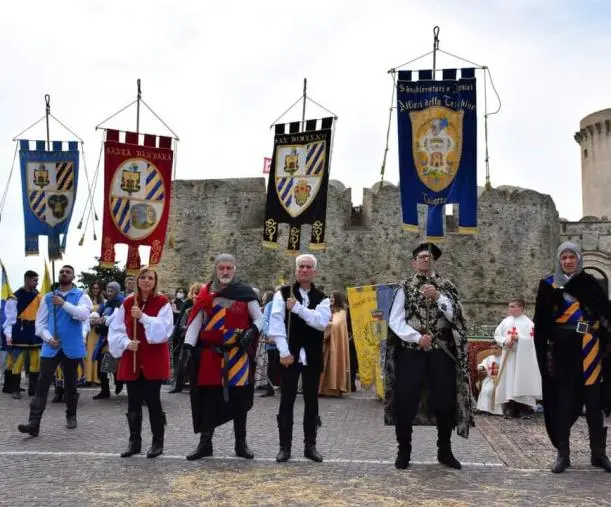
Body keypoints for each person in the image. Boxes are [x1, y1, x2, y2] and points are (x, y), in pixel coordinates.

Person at [384, 242, 473, 470]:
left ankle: (444, 450)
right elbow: (395, 321)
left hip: (440, 352)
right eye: (422, 257)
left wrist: (439, 298)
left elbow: (457, 317)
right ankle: (404, 451)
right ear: (414, 262)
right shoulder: (404, 287)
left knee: (444, 400)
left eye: (430, 257)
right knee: (405, 399)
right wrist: (415, 337)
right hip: (412, 352)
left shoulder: (446, 286)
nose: (426, 260)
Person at [533, 241, 611, 473]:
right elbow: (542, 321)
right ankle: (563, 455)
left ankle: (598, 454)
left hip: (589, 348)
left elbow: (604, 313)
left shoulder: (589, 284)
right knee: (563, 401)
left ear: (579, 259)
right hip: (562, 350)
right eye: (564, 258)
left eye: (572, 257)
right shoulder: (548, 284)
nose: (568, 261)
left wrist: (602, 331)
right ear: (559, 260)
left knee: (594, 402)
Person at [182, 254, 263, 460]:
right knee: (208, 400)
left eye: (229, 268)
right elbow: (196, 322)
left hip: (237, 355)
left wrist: (252, 331)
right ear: (216, 270)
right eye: (221, 268)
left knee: (239, 401)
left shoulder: (245, 293)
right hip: (211, 355)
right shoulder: (206, 293)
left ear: (234, 269)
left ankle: (240, 444)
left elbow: (260, 319)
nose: (225, 272)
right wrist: (188, 346)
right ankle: (205, 444)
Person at [268, 254, 331, 463]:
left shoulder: (322, 298)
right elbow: (276, 323)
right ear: (296, 270)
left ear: (314, 272)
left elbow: (320, 322)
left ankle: (310, 445)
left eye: (308, 267)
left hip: (312, 354)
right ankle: (284, 446)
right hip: (291, 354)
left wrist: (298, 308)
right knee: (287, 400)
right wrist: (284, 352)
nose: (304, 270)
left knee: (312, 401)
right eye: (301, 267)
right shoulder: (282, 293)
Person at [17, 265, 92, 435]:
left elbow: (83, 315)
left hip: (71, 346)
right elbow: (40, 323)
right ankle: (33, 423)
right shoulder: (48, 297)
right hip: (51, 347)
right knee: (42, 384)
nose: (64, 273)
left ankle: (71, 415)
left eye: (68, 272)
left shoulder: (81, 296)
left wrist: (63, 303)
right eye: (61, 271)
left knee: (71, 383)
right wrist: (48, 338)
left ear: (73, 277)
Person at [108, 267, 173, 459]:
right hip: (133, 357)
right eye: (143, 277)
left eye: (150, 278)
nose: (146, 281)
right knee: (133, 402)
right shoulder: (128, 302)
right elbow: (116, 329)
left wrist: (143, 318)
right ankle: (134, 441)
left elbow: (164, 330)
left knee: (153, 401)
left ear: (155, 281)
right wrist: (127, 343)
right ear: (137, 281)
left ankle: (157, 442)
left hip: (152, 358)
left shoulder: (162, 303)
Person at [493, 298, 541, 418]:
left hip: (523, 360)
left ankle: (524, 408)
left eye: (513, 306)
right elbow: (497, 335)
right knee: (509, 381)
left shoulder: (529, 323)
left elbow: (534, 340)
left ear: (521, 308)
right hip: (509, 357)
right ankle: (509, 408)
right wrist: (505, 341)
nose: (510, 309)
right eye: (510, 306)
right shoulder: (505, 322)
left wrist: (519, 339)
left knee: (522, 381)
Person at [3, 270, 42, 399]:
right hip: (20, 330)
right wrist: (9, 334)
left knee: (35, 361)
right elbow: (10, 319)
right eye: (34, 280)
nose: (36, 283)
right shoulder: (15, 297)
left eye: (37, 280)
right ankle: (15, 389)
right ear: (27, 279)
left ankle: (34, 389)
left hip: (34, 331)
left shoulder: (38, 295)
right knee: (18, 360)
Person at [91, 281, 124, 399]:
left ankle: (118, 383)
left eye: (112, 291)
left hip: (113, 339)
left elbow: (115, 318)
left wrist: (103, 320)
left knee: (110, 365)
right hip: (104, 338)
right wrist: (96, 320)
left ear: (117, 291)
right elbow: (100, 314)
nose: (109, 293)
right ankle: (105, 390)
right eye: (108, 290)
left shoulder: (119, 302)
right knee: (102, 365)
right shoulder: (107, 303)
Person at [169, 282, 202, 394]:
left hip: (201, 341)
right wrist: (189, 327)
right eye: (194, 294)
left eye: (198, 293)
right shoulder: (188, 310)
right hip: (186, 339)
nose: (195, 297)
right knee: (181, 362)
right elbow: (181, 325)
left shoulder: (207, 310)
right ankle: (178, 385)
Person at [319, 291, 351, 397]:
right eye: (330, 297)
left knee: (333, 364)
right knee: (323, 366)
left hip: (335, 345)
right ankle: (321, 389)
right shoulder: (328, 310)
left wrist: (323, 325)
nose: (331, 299)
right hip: (326, 343)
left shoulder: (341, 312)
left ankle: (334, 390)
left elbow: (336, 325)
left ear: (338, 299)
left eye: (333, 297)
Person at [84, 280, 104, 385]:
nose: (95, 290)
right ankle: (88, 378)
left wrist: (99, 320)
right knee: (89, 352)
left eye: (97, 288)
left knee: (96, 353)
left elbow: (105, 315)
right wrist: (89, 320)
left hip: (98, 331)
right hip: (88, 330)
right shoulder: (87, 300)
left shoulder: (103, 302)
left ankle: (96, 378)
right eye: (94, 288)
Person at [260, 290, 279, 397]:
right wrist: (269, 334)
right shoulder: (270, 305)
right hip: (271, 341)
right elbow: (265, 320)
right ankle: (270, 388)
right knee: (272, 365)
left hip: (284, 341)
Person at [475, 343, 503, 415]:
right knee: (486, 390)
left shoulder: (504, 358)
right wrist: (481, 367)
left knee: (497, 390)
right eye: (492, 348)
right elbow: (483, 364)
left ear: (501, 349)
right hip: (490, 379)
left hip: (501, 380)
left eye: (496, 348)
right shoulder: (489, 358)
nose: (493, 350)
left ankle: (498, 411)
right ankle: (484, 409)